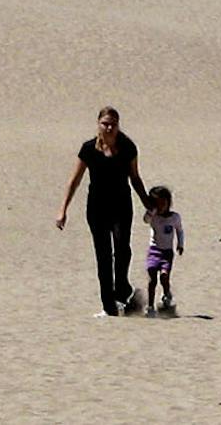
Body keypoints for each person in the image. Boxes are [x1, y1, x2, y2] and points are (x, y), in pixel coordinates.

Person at [56, 105, 151, 315]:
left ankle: (122, 290)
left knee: (122, 249)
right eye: (105, 124)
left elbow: (135, 177)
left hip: (121, 205)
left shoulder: (127, 147)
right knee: (103, 255)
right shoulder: (88, 149)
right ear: (98, 124)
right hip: (97, 207)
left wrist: (147, 204)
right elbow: (75, 180)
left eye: (113, 125)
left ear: (118, 126)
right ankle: (109, 306)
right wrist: (63, 209)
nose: (109, 128)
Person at [142, 185, 185, 314]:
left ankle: (167, 294)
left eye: (163, 203)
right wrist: (151, 211)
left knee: (164, 276)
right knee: (152, 278)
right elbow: (146, 220)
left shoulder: (174, 217)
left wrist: (180, 244)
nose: (161, 206)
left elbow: (180, 231)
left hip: (167, 252)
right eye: (157, 203)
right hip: (154, 251)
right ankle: (150, 306)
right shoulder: (153, 217)